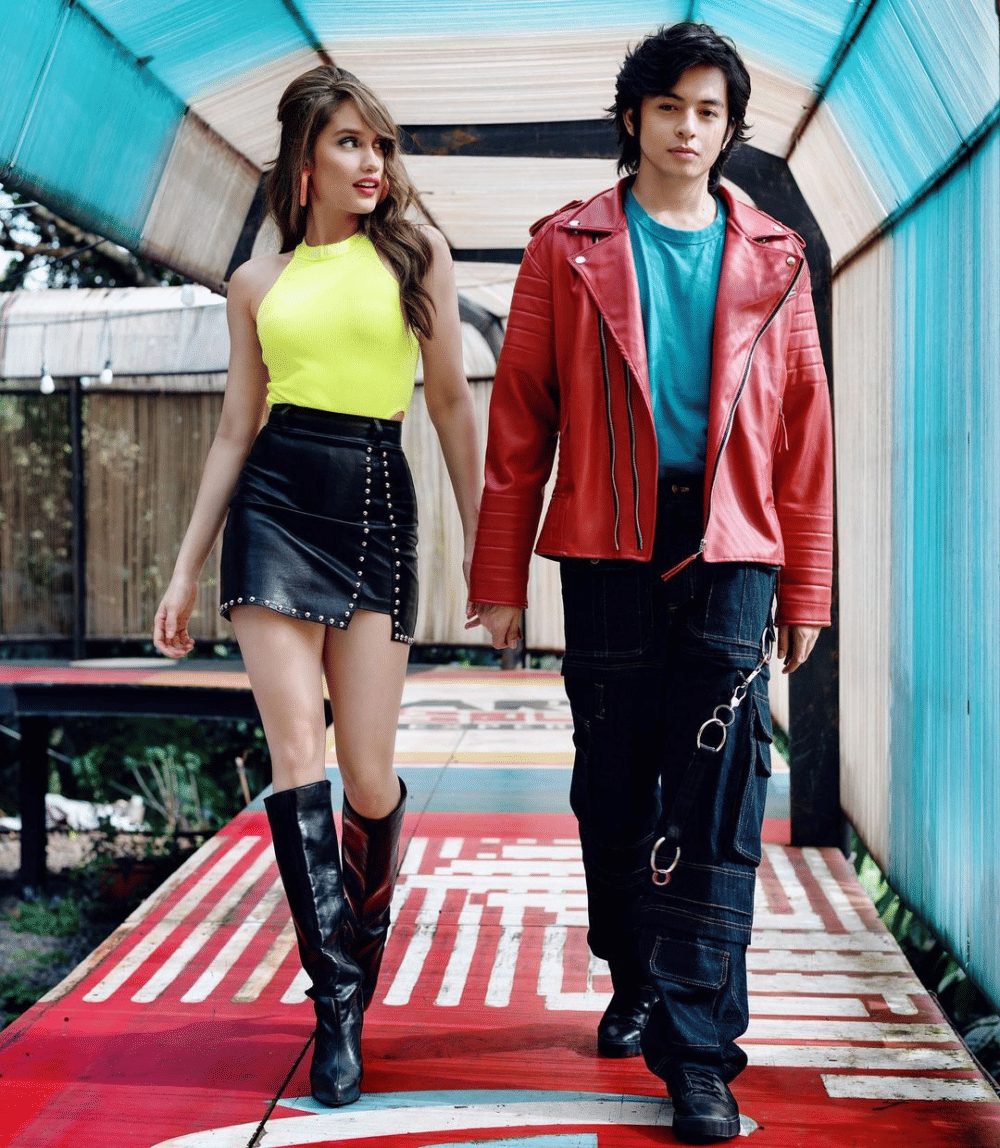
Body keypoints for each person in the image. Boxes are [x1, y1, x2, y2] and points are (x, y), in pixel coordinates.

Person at [469, 22, 832, 1145]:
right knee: (616, 790)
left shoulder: (776, 254)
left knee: (718, 800)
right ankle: (634, 968)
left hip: (733, 549)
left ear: (730, 128)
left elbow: (806, 433)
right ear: (632, 116)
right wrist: (499, 577)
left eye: (709, 111)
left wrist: (806, 587)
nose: (688, 127)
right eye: (669, 106)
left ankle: (699, 1055)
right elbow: (518, 423)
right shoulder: (566, 246)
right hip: (606, 549)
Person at [153, 65, 480, 1109]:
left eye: (379, 144)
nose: (372, 162)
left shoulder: (417, 254)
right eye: (349, 142)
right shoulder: (256, 283)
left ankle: (354, 953)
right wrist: (185, 566)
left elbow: (449, 404)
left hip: (378, 501)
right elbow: (234, 429)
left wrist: (489, 545)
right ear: (304, 159)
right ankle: (336, 1000)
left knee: (369, 778)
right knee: (298, 753)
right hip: (274, 509)